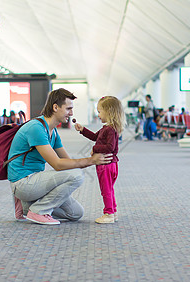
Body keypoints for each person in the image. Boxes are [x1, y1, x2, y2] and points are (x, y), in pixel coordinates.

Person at [8, 88, 113, 225]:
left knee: (75, 213)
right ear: (55, 107)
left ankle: (27, 207)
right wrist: (90, 161)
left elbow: (67, 162)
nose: (71, 113)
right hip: (23, 183)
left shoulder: (53, 132)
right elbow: (57, 164)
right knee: (77, 175)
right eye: (68, 108)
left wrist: (92, 158)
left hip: (34, 182)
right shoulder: (36, 128)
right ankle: (39, 211)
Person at [74, 96, 124, 224]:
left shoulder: (110, 129)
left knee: (105, 190)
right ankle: (113, 211)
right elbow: (95, 137)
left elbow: (110, 147)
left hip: (106, 165)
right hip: (111, 164)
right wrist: (83, 130)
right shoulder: (107, 128)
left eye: (100, 111)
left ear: (109, 112)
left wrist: (95, 149)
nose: (98, 114)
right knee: (110, 189)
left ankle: (108, 214)